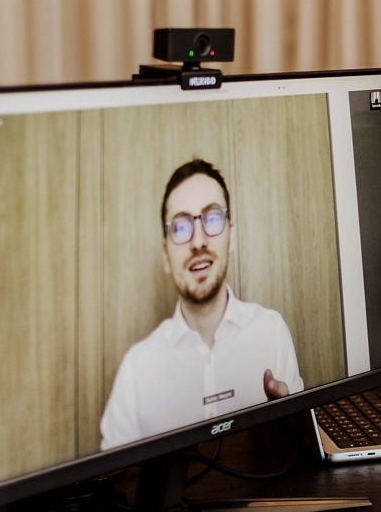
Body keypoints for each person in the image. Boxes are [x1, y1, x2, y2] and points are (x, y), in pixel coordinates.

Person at [100, 159, 303, 450]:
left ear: (231, 236)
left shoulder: (272, 333)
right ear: (166, 256)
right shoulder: (137, 369)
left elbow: (301, 458)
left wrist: (291, 423)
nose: (198, 241)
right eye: (181, 227)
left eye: (212, 219)